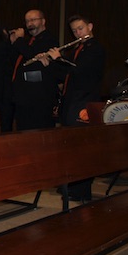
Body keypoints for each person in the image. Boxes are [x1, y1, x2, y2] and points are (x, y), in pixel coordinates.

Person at [44, 14, 105, 201]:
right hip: (71, 102)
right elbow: (66, 74)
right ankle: (72, 186)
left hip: (84, 102)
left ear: (90, 26)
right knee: (71, 146)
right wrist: (49, 63)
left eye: (81, 28)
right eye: (74, 31)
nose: (78, 33)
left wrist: (60, 58)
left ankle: (81, 191)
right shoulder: (78, 48)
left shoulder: (95, 48)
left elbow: (80, 71)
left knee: (81, 148)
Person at [9, 9, 59, 130]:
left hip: (39, 98)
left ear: (43, 21)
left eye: (33, 20)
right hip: (23, 97)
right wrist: (13, 42)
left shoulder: (49, 39)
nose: (29, 24)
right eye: (27, 21)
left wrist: (19, 40)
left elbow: (33, 55)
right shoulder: (28, 41)